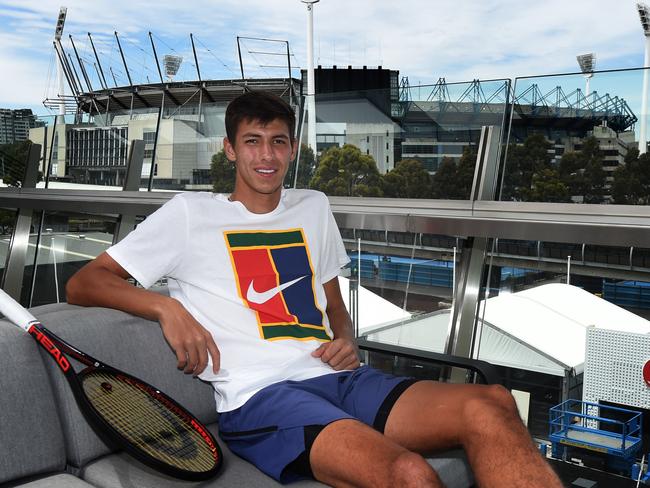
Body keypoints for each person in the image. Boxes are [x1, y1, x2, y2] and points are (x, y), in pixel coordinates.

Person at [66, 90, 561, 488]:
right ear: (230, 149)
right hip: (260, 397)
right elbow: (84, 282)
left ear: (293, 148)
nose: (267, 155)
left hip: (337, 377)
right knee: (409, 473)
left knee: (492, 403)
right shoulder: (191, 214)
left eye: (278, 141)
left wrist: (345, 338)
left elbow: (333, 302)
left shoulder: (313, 206)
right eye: (254, 141)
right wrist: (163, 307)